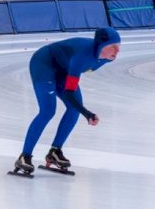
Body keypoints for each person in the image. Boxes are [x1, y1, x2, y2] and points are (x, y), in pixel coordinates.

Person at [14, 27, 121, 174]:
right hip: (44, 64)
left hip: (64, 69)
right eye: (112, 47)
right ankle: (24, 156)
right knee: (48, 111)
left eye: (119, 46)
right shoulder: (82, 56)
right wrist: (88, 114)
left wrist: (83, 111)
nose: (117, 51)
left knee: (73, 110)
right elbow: (69, 93)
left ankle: (55, 151)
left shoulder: (107, 58)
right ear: (101, 46)